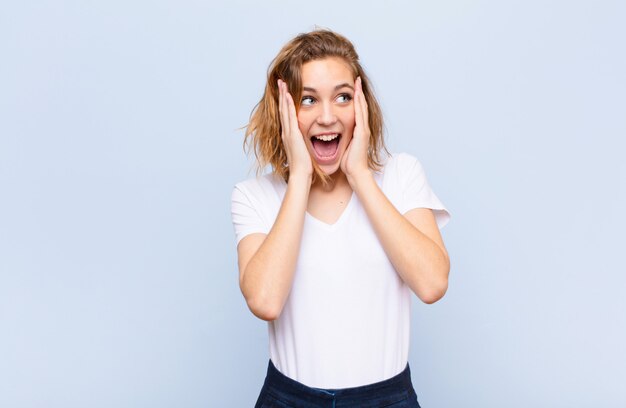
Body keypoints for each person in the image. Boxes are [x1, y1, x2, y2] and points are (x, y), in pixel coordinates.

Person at [231, 28, 451, 408]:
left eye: (343, 97)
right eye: (308, 100)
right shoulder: (254, 197)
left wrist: (362, 176)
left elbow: (432, 284)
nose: (327, 116)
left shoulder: (400, 176)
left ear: (362, 106)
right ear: (285, 112)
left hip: (387, 399)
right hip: (290, 399)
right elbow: (265, 301)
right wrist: (299, 177)